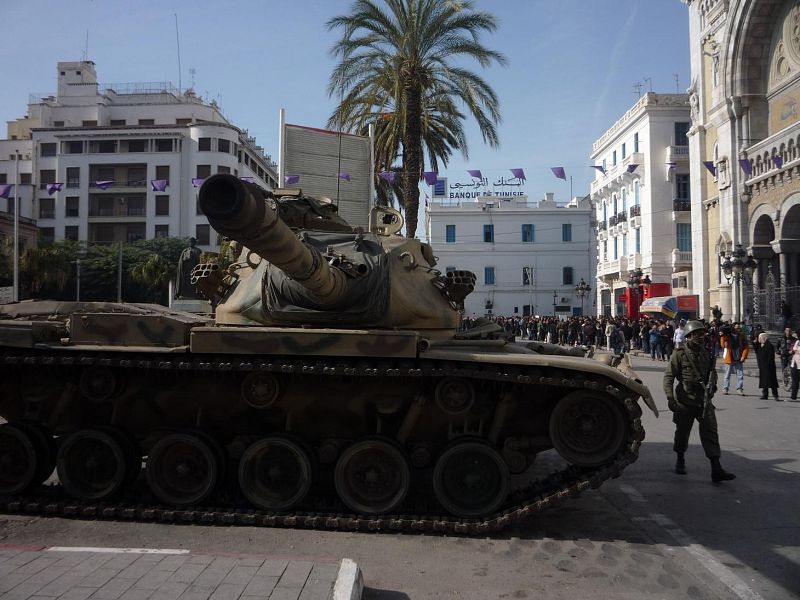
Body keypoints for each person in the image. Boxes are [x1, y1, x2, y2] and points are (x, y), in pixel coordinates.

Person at [664, 320, 736, 482]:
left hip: (703, 400)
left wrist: (713, 385)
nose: (700, 337)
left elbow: (712, 373)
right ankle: (680, 459)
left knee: (710, 433)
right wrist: (670, 397)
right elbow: (669, 377)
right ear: (689, 337)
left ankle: (716, 468)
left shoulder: (706, 353)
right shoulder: (680, 354)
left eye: (702, 334)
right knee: (682, 433)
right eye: (696, 334)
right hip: (685, 400)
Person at [720, 322, 749, 395]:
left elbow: (746, 347)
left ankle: (739, 389)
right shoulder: (727, 336)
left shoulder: (741, 336)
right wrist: (723, 335)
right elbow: (723, 345)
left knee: (740, 375)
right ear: (733, 328)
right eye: (737, 328)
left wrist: (743, 356)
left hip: (739, 358)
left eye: (739, 328)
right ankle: (725, 388)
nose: (738, 329)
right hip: (729, 358)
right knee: (727, 375)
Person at [754, 332, 779, 401]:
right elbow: (756, 350)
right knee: (765, 381)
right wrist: (755, 343)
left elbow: (771, 357)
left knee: (772, 382)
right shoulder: (761, 345)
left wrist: (766, 364)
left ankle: (775, 395)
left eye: (760, 338)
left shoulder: (769, 345)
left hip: (769, 367)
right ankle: (765, 395)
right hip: (762, 366)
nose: (759, 339)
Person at [791, 336, 800, 401]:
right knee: (795, 381)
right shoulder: (797, 341)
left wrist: (797, 351)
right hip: (794, 363)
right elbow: (794, 350)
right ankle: (793, 396)